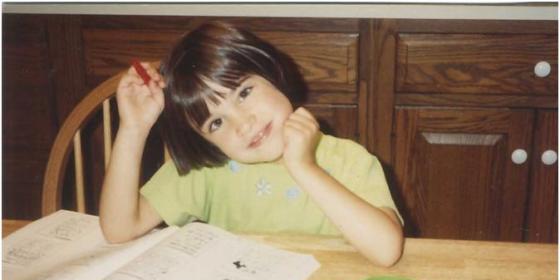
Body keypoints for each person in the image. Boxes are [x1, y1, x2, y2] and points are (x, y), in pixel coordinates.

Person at [99, 21, 404, 267]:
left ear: (272, 74)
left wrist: (304, 166)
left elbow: (387, 250)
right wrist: (133, 128)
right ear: (205, 141)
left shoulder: (348, 160)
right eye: (216, 123)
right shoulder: (209, 171)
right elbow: (119, 229)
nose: (243, 123)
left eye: (244, 93)